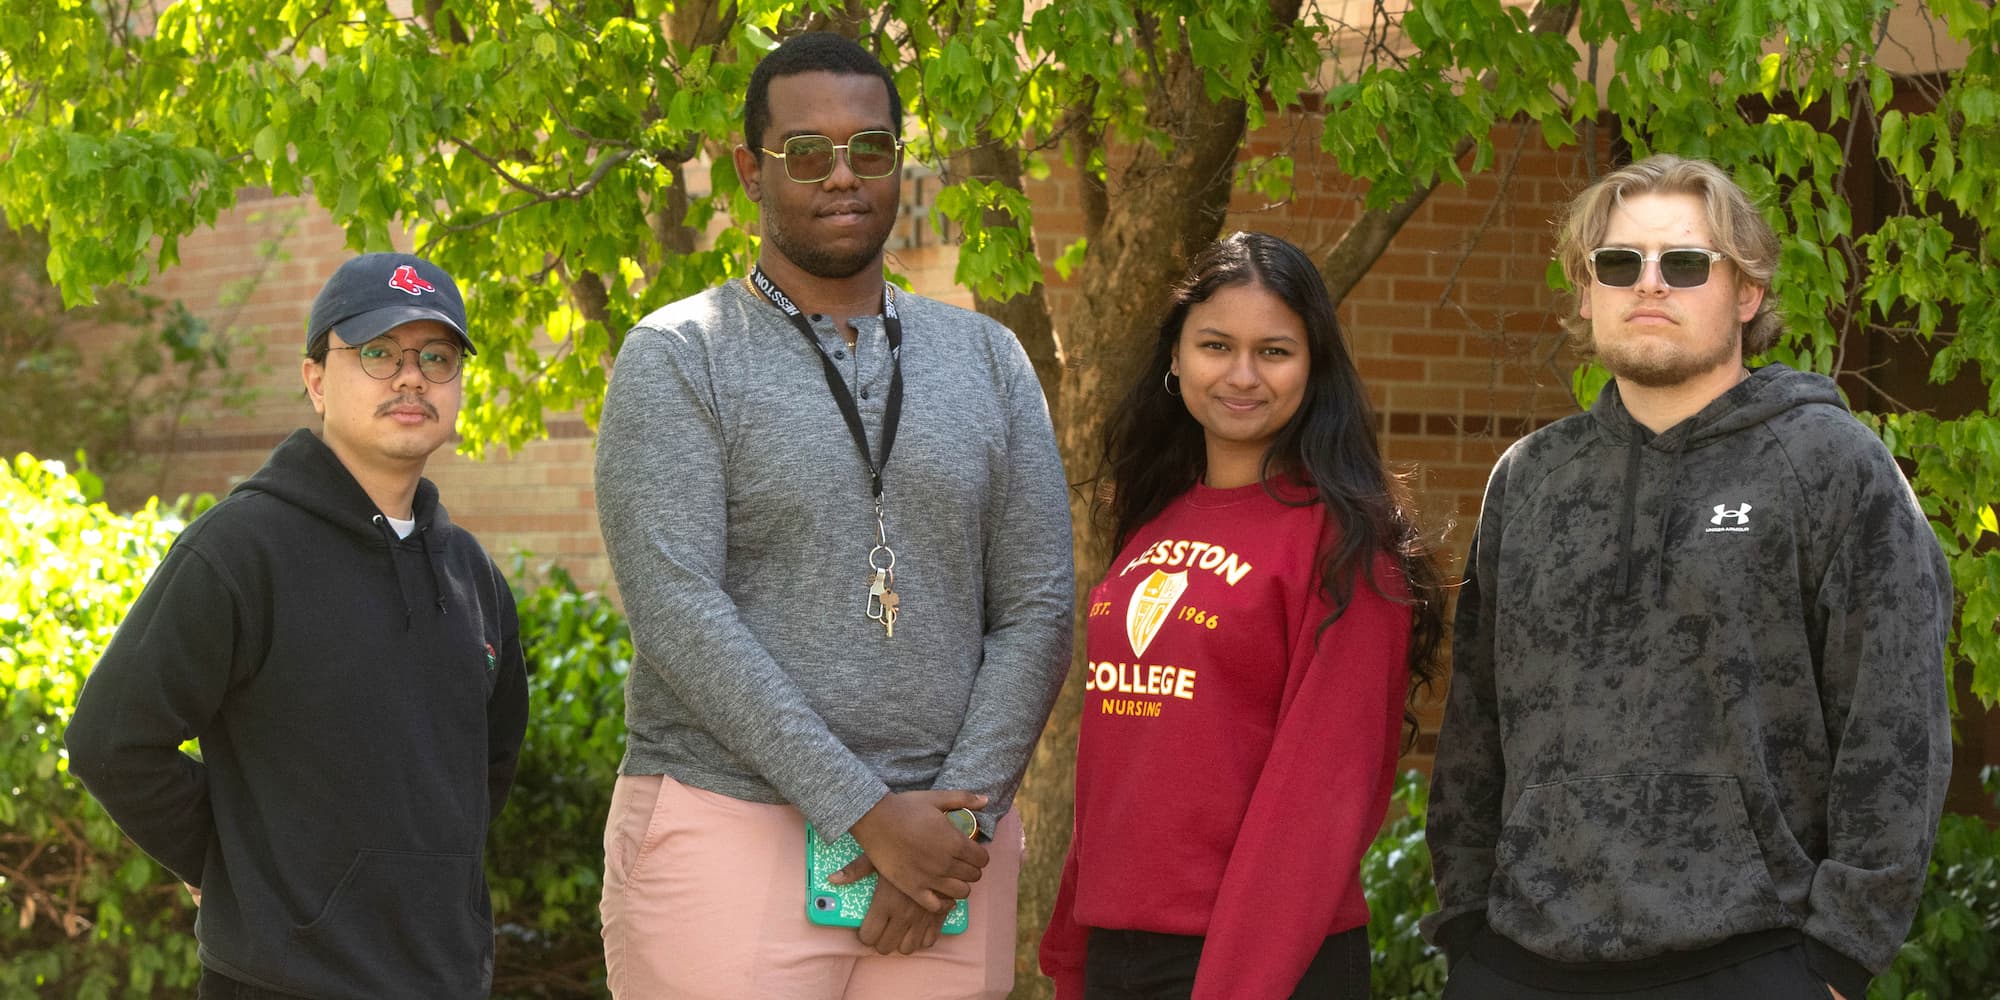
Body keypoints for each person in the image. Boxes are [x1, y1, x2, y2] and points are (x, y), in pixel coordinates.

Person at [592, 31, 1073, 1000]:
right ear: (748, 168)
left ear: (900, 158)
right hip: (728, 828)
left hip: (948, 841)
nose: (840, 175)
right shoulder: (680, 353)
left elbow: (1038, 605)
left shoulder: (986, 359)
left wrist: (952, 829)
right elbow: (677, 608)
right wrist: (863, 812)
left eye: (871, 149)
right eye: (805, 151)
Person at [1423, 154, 1954, 1000]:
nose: (1650, 285)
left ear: (1747, 291)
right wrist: (1467, 928)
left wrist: (1838, 958)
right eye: (1620, 262)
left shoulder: (1829, 465)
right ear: (1585, 288)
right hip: (1518, 959)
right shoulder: (1531, 478)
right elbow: (1475, 727)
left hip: (1749, 959)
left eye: (1685, 263)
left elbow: (1897, 726)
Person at [64, 252, 530, 999]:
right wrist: (231, 863)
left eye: (436, 357)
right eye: (378, 353)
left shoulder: (471, 575)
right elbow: (112, 740)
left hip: (445, 979)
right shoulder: (241, 551)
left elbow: (488, 766)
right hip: (282, 980)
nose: (411, 377)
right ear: (316, 379)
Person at [1038, 231, 1446, 999]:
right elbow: (1119, 761)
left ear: (1315, 366)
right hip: (1121, 955)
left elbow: (1319, 798)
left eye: (1275, 351)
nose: (1242, 375)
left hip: (1262, 964)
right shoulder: (1155, 523)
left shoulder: (1346, 548)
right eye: (1216, 345)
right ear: (1176, 358)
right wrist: (1073, 951)